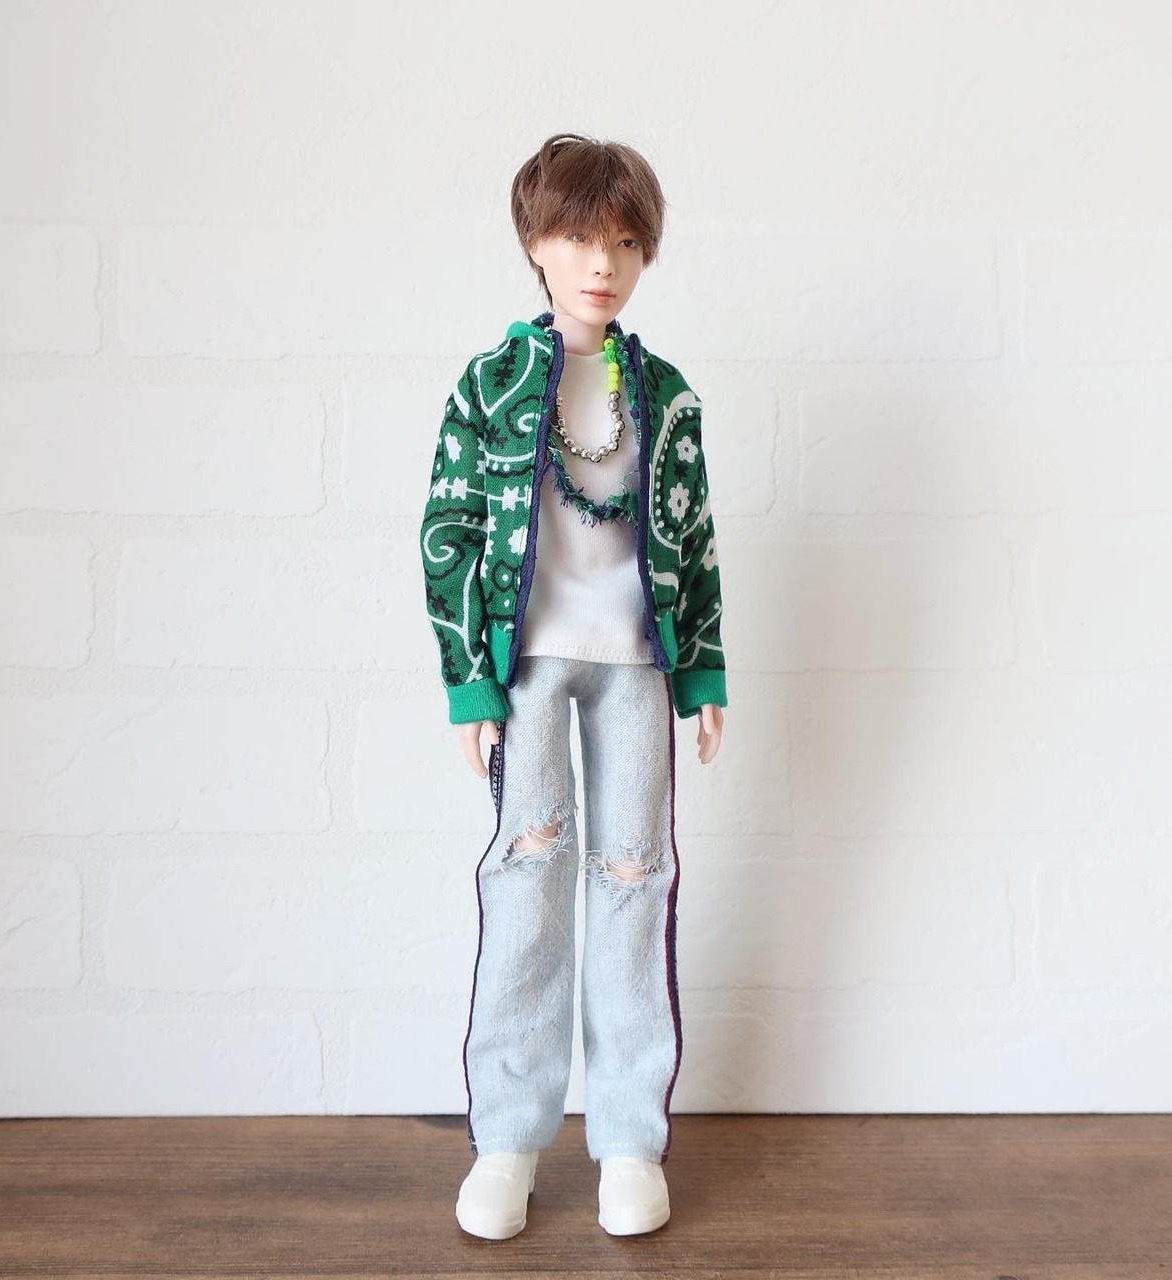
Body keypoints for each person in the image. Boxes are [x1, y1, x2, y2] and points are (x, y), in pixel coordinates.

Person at [419, 133, 727, 1240]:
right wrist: (470, 680)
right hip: (530, 668)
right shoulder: (493, 385)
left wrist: (703, 668)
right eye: (580, 237)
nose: (603, 262)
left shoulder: (665, 394)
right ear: (536, 244)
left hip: (637, 666)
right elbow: (450, 529)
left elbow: (693, 539)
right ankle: (507, 1138)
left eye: (626, 242)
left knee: (634, 885)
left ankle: (629, 1141)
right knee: (527, 883)